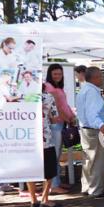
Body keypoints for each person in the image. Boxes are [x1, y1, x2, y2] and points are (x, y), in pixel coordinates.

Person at [75, 66, 104, 197]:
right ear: (95, 77)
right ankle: (95, 189)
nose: (102, 78)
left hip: (86, 129)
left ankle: (87, 186)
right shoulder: (92, 92)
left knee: (88, 160)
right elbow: (92, 114)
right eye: (101, 76)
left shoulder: (85, 89)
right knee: (98, 160)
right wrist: (101, 125)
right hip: (94, 130)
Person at [45, 63, 77, 194]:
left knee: (57, 155)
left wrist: (71, 116)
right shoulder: (49, 87)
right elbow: (56, 108)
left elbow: (64, 105)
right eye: (55, 74)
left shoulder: (57, 87)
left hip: (61, 123)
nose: (58, 76)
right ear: (50, 75)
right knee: (54, 155)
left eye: (60, 73)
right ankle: (54, 185)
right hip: (55, 124)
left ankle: (56, 182)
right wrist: (69, 118)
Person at [27, 84, 61, 207]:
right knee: (49, 170)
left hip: (28, 137)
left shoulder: (24, 97)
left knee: (30, 169)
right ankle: (44, 199)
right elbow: (54, 117)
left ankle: (33, 199)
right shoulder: (48, 97)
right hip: (45, 137)